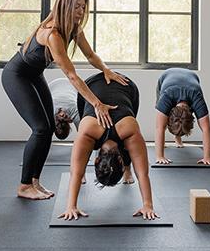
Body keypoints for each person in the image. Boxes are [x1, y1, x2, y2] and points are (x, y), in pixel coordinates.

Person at [2, 0, 128, 201]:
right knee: (40, 128)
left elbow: (90, 55)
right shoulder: (53, 34)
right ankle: (24, 185)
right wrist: (97, 103)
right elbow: (71, 75)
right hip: (17, 75)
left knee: (49, 127)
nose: (80, 11)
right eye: (77, 6)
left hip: (34, 74)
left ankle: (34, 181)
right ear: (65, 5)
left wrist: (106, 69)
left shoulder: (74, 28)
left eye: (83, 7)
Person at [58, 72, 158, 221]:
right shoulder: (92, 132)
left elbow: (76, 173)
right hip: (108, 85)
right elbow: (143, 173)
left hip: (120, 85)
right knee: (129, 126)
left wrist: (71, 207)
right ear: (97, 161)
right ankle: (127, 172)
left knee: (128, 126)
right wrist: (147, 205)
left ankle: (127, 171)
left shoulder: (91, 132)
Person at [154, 68, 210, 165]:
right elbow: (159, 128)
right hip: (166, 76)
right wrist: (160, 156)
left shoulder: (197, 99)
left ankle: (177, 137)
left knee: (181, 120)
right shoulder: (166, 98)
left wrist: (207, 157)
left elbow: (206, 129)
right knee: (162, 121)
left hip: (192, 76)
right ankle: (174, 138)